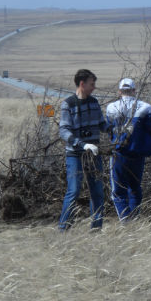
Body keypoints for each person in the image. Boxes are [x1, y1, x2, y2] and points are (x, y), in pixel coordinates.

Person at [58, 69, 109, 231]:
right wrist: (82, 144)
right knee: (73, 191)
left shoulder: (94, 103)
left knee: (98, 192)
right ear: (82, 84)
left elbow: (102, 124)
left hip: (94, 155)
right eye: (92, 84)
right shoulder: (68, 104)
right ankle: (63, 228)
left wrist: (118, 128)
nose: (94, 87)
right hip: (75, 155)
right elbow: (64, 131)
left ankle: (96, 229)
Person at [106, 78, 151, 221]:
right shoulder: (145, 107)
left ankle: (125, 221)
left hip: (118, 154)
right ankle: (134, 219)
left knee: (118, 192)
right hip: (137, 155)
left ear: (119, 91)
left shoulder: (111, 107)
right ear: (134, 91)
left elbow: (108, 129)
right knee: (135, 188)